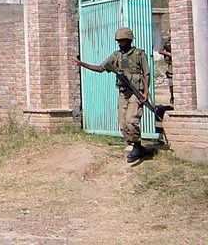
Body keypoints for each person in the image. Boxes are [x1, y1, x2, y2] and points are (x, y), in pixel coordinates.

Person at [72, 27, 150, 163]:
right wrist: (82, 64)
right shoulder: (116, 56)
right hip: (123, 92)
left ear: (129, 40)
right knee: (123, 123)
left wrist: (146, 92)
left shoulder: (139, 54)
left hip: (135, 93)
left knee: (132, 121)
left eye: (123, 40)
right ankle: (135, 145)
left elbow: (147, 73)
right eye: (119, 41)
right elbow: (100, 68)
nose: (121, 43)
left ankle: (137, 147)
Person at [158, 38, 173, 105]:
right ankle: (172, 98)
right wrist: (167, 54)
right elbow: (160, 51)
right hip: (171, 68)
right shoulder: (167, 42)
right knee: (171, 85)